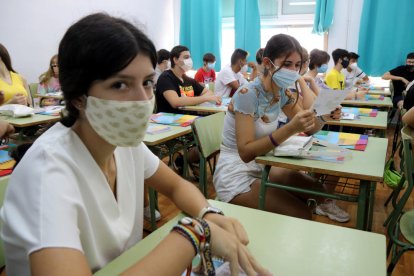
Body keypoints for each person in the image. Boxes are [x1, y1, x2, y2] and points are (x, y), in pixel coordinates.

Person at [0, 13, 270, 275]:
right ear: (78, 96)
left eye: (147, 83)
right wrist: (195, 233)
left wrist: (208, 213)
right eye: (120, 85)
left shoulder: (122, 143)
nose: (142, 99)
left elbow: (175, 185)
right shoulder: (46, 172)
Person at [213, 34, 349, 223]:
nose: (294, 71)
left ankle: (313, 210)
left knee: (317, 191)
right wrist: (291, 128)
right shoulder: (247, 94)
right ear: (268, 63)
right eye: (287, 64)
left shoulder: (283, 93)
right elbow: (245, 153)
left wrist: (325, 116)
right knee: (301, 214)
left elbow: (309, 128)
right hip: (235, 172)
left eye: (297, 65)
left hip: (262, 163)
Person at [156, 45, 221, 114]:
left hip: (191, 117)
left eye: (190, 57)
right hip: (171, 120)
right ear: (175, 60)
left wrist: (199, 99)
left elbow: (209, 92)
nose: (189, 60)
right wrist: (205, 98)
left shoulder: (187, 79)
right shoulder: (166, 78)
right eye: (186, 57)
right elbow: (175, 102)